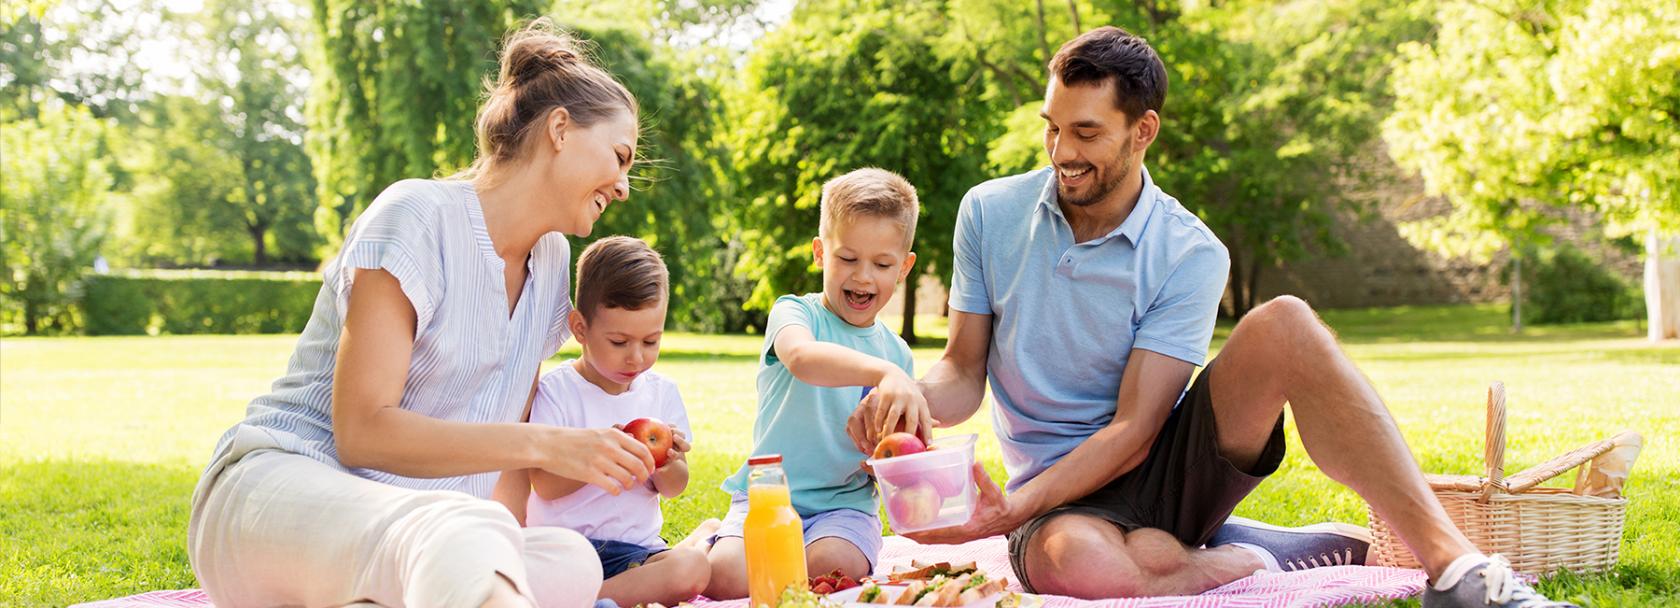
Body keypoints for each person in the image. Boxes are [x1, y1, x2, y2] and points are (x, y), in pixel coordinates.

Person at [849, 27, 1576, 608]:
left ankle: (1458, 571)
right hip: (1057, 494)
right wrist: (908, 394)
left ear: (1144, 132)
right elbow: (964, 371)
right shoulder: (989, 213)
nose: (1062, 153)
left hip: (1160, 470)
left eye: (1087, 133)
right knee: (1086, 569)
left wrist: (1006, 512)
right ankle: (1249, 555)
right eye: (1053, 128)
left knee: (1286, 321)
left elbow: (1135, 431)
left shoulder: (1190, 251)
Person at [187, 20, 655, 608]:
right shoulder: (415, 216)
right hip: (280, 490)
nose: (624, 185)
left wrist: (506, 528)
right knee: (459, 537)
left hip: (414, 530)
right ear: (560, 129)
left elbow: (505, 466)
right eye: (620, 156)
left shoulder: (551, 262)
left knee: (571, 561)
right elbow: (362, 433)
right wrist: (543, 444)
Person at [703, 168, 926, 599]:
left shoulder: (897, 354)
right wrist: (883, 373)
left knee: (832, 568)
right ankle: (713, 535)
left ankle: (785, 558)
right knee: (725, 579)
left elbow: (894, 446)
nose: (862, 277)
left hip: (843, 506)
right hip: (769, 497)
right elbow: (803, 359)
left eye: (881, 264)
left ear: (904, 267)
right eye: (847, 259)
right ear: (820, 253)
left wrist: (890, 465)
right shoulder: (794, 314)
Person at [493, 236, 711, 606]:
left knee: (693, 570)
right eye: (619, 341)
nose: (636, 358)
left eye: (651, 341)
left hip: (636, 553)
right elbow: (543, 486)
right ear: (580, 329)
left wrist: (667, 462)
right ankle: (591, 596)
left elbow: (675, 487)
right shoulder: (558, 391)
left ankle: (586, 600)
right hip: (567, 548)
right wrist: (594, 456)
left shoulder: (661, 393)